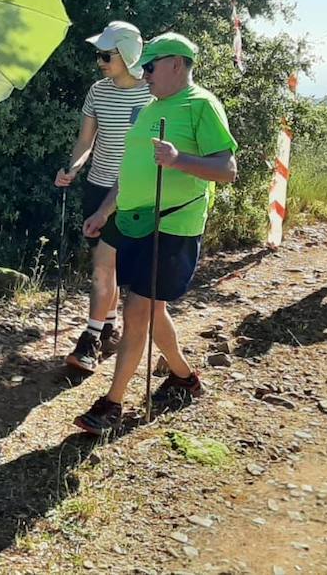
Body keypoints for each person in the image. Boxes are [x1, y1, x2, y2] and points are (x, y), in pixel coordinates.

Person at [74, 33, 239, 434]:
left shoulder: (201, 104)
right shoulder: (151, 107)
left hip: (173, 224)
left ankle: (111, 405)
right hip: (135, 221)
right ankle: (184, 378)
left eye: (150, 66)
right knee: (152, 309)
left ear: (177, 64)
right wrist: (103, 210)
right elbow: (130, 171)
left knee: (136, 309)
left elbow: (227, 169)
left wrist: (179, 159)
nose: (143, 73)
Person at [53, 21, 154, 374]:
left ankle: (90, 339)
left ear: (127, 55)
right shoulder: (97, 91)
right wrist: (73, 167)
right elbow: (86, 141)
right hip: (97, 186)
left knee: (104, 266)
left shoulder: (151, 95)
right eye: (99, 54)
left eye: (106, 55)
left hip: (133, 192)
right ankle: (107, 329)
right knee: (101, 263)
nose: (99, 61)